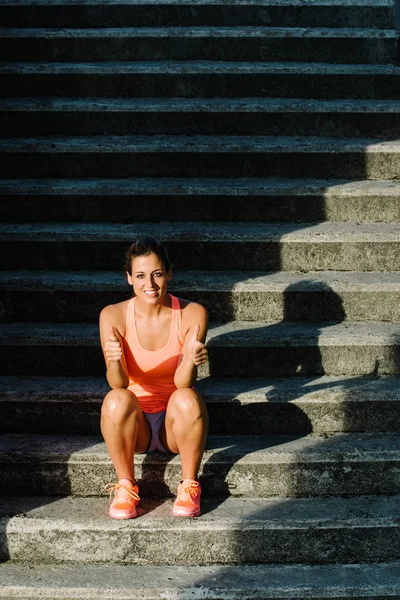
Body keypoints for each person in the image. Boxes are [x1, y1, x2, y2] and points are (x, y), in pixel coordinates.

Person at [99, 237, 209, 519]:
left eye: (157, 274)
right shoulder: (112, 315)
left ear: (168, 273)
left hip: (174, 424)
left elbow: (184, 383)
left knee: (187, 397)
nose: (150, 284)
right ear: (129, 278)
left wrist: (189, 358)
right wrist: (114, 359)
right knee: (115, 400)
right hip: (136, 426)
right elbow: (118, 384)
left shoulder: (192, 313)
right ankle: (126, 485)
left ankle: (188, 485)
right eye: (140, 276)